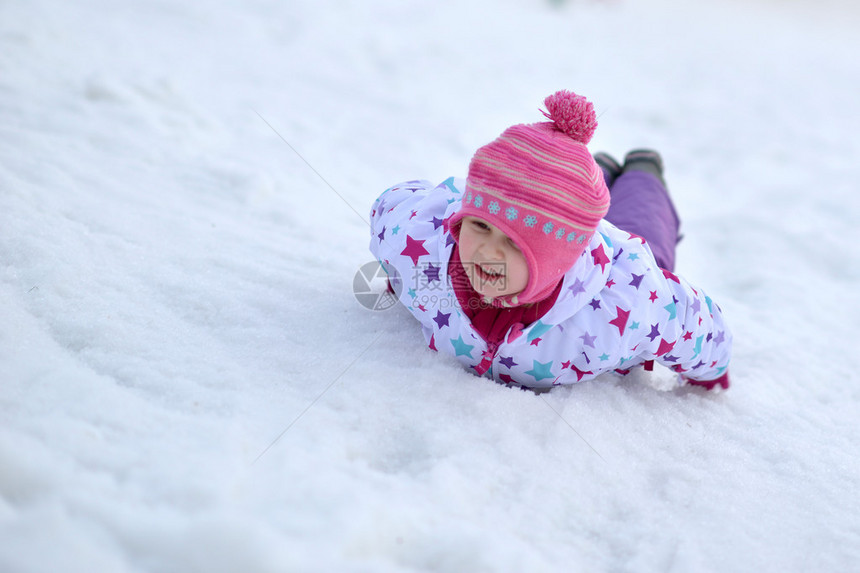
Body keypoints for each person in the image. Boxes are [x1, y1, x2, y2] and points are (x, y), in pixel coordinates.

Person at [368, 90, 731, 392]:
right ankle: (593, 168)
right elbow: (392, 206)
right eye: (479, 226)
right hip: (556, 218)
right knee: (556, 197)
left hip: (607, 258)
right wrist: (402, 279)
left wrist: (711, 368)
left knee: (644, 223)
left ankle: (642, 172)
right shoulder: (419, 249)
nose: (487, 251)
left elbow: (688, 319)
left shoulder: (620, 306)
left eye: (513, 243)